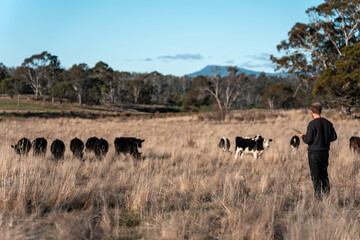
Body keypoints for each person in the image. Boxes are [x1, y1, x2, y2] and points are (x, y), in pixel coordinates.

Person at [299, 103, 337, 199]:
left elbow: (308, 140)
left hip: (313, 153)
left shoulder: (312, 124)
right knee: (324, 174)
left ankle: (317, 198)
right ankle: (327, 196)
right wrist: (324, 139)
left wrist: (302, 136)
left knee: (315, 176)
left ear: (312, 112)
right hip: (325, 153)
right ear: (320, 111)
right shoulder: (328, 123)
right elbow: (334, 137)